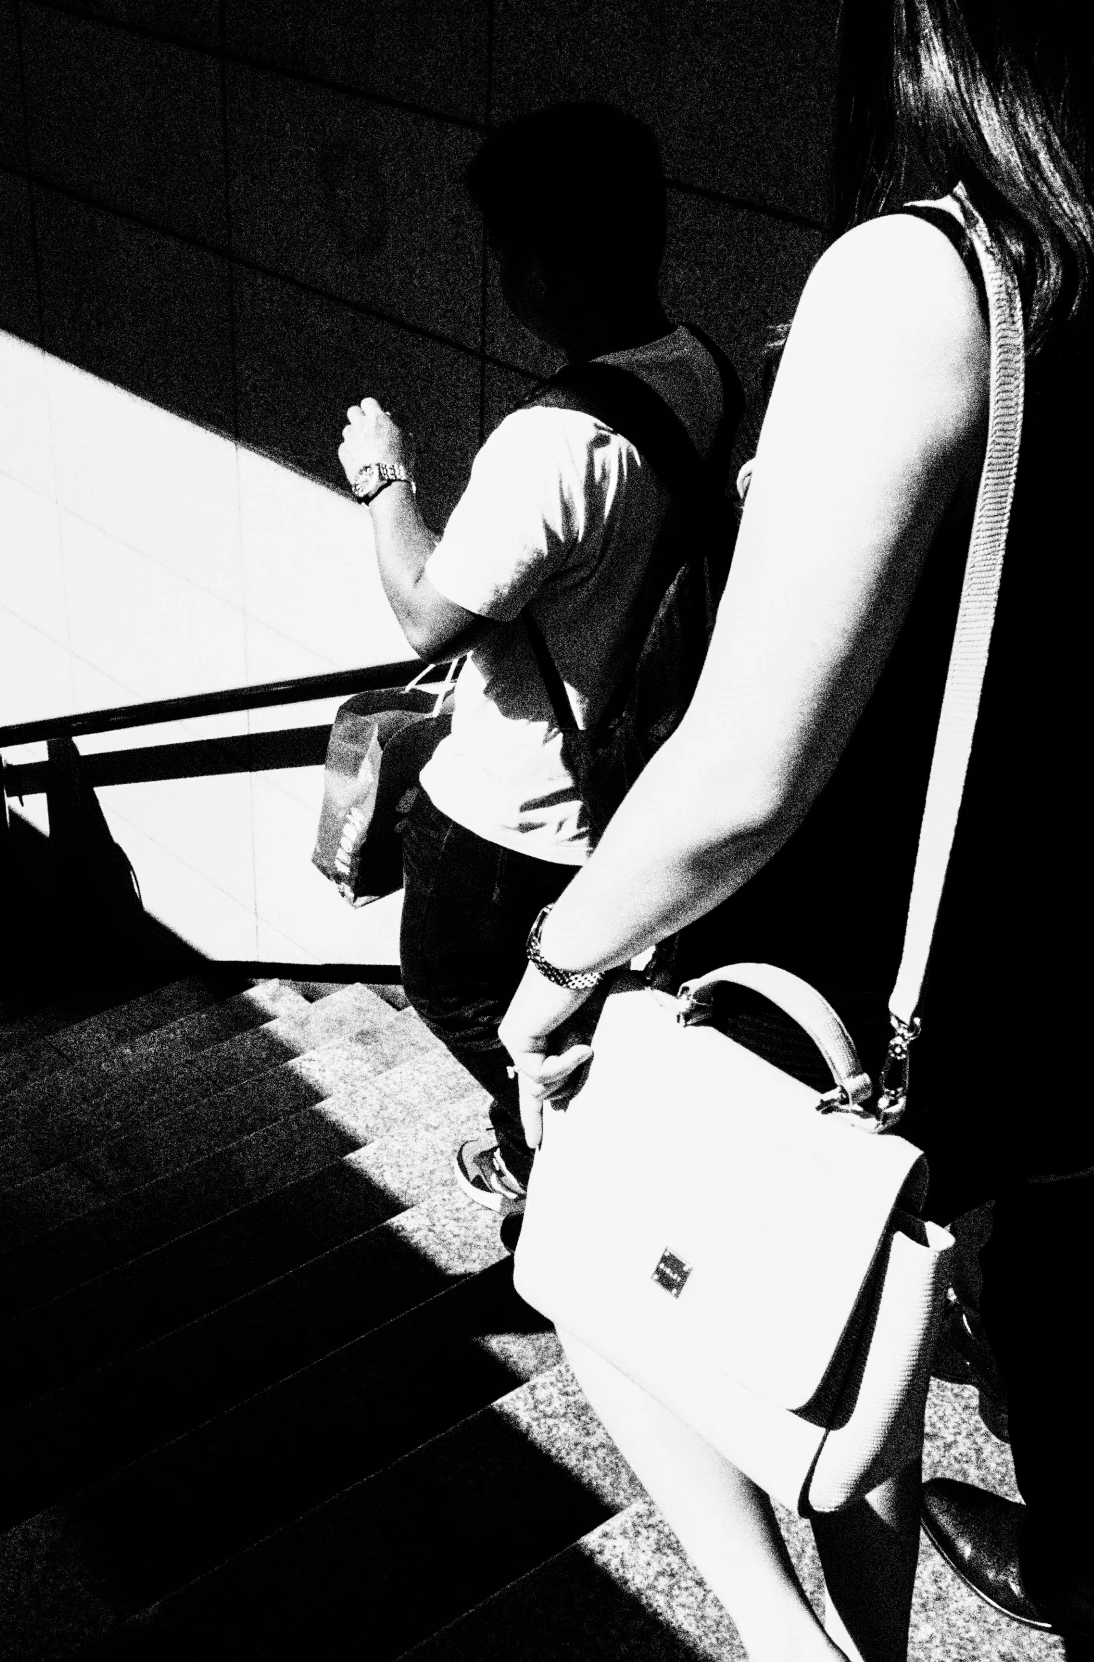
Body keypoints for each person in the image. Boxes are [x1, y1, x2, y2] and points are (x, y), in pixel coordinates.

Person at [493, 2, 1094, 1657]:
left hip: (840, 910)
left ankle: (794, 1639)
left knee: (623, 1233)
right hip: (1035, 927)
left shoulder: (926, 278)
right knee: (899, 1257)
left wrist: (558, 961)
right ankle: (954, 1612)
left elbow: (745, 772)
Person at [335, 101, 739, 1231]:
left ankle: (556, 1155)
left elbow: (427, 617)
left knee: (452, 986)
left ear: (551, 261)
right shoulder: (697, 370)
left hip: (508, 814)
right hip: (628, 787)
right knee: (563, 994)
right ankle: (571, 1125)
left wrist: (384, 480)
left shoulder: (555, 443)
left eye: (505, 248)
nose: (501, 271)